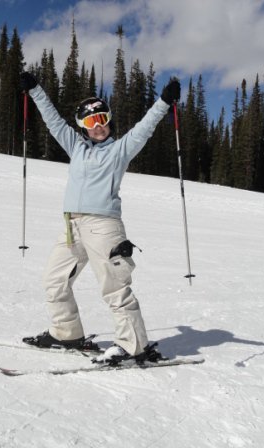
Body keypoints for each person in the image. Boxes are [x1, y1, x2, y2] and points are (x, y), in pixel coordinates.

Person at [20, 71, 180, 363]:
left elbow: (144, 129)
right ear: (83, 126)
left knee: (115, 287)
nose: (99, 127)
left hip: (104, 227)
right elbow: (54, 121)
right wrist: (35, 90)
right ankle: (66, 333)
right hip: (73, 227)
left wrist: (163, 103)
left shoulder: (119, 150)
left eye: (103, 119)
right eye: (92, 122)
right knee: (54, 279)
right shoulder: (76, 147)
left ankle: (134, 346)